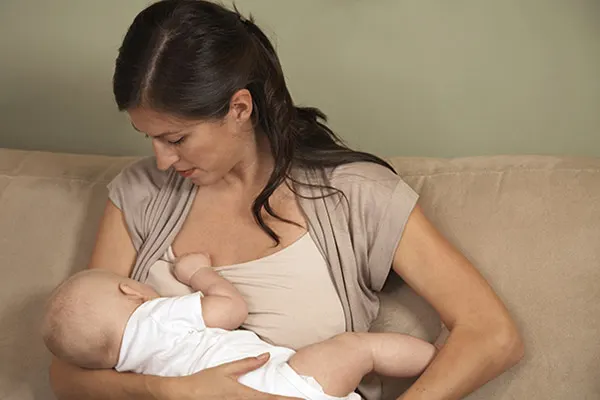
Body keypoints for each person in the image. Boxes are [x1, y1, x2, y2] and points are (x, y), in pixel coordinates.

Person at [48, 1, 524, 399]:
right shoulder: (139, 194)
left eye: (176, 138)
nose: (162, 161)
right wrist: (171, 390)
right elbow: (67, 373)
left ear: (239, 108)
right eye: (147, 138)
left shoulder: (354, 195)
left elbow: (492, 335)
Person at [42, 256, 436, 400]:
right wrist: (199, 273)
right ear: (129, 290)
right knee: (355, 348)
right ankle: (438, 360)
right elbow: (229, 310)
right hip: (279, 384)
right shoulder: (154, 316)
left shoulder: (121, 371)